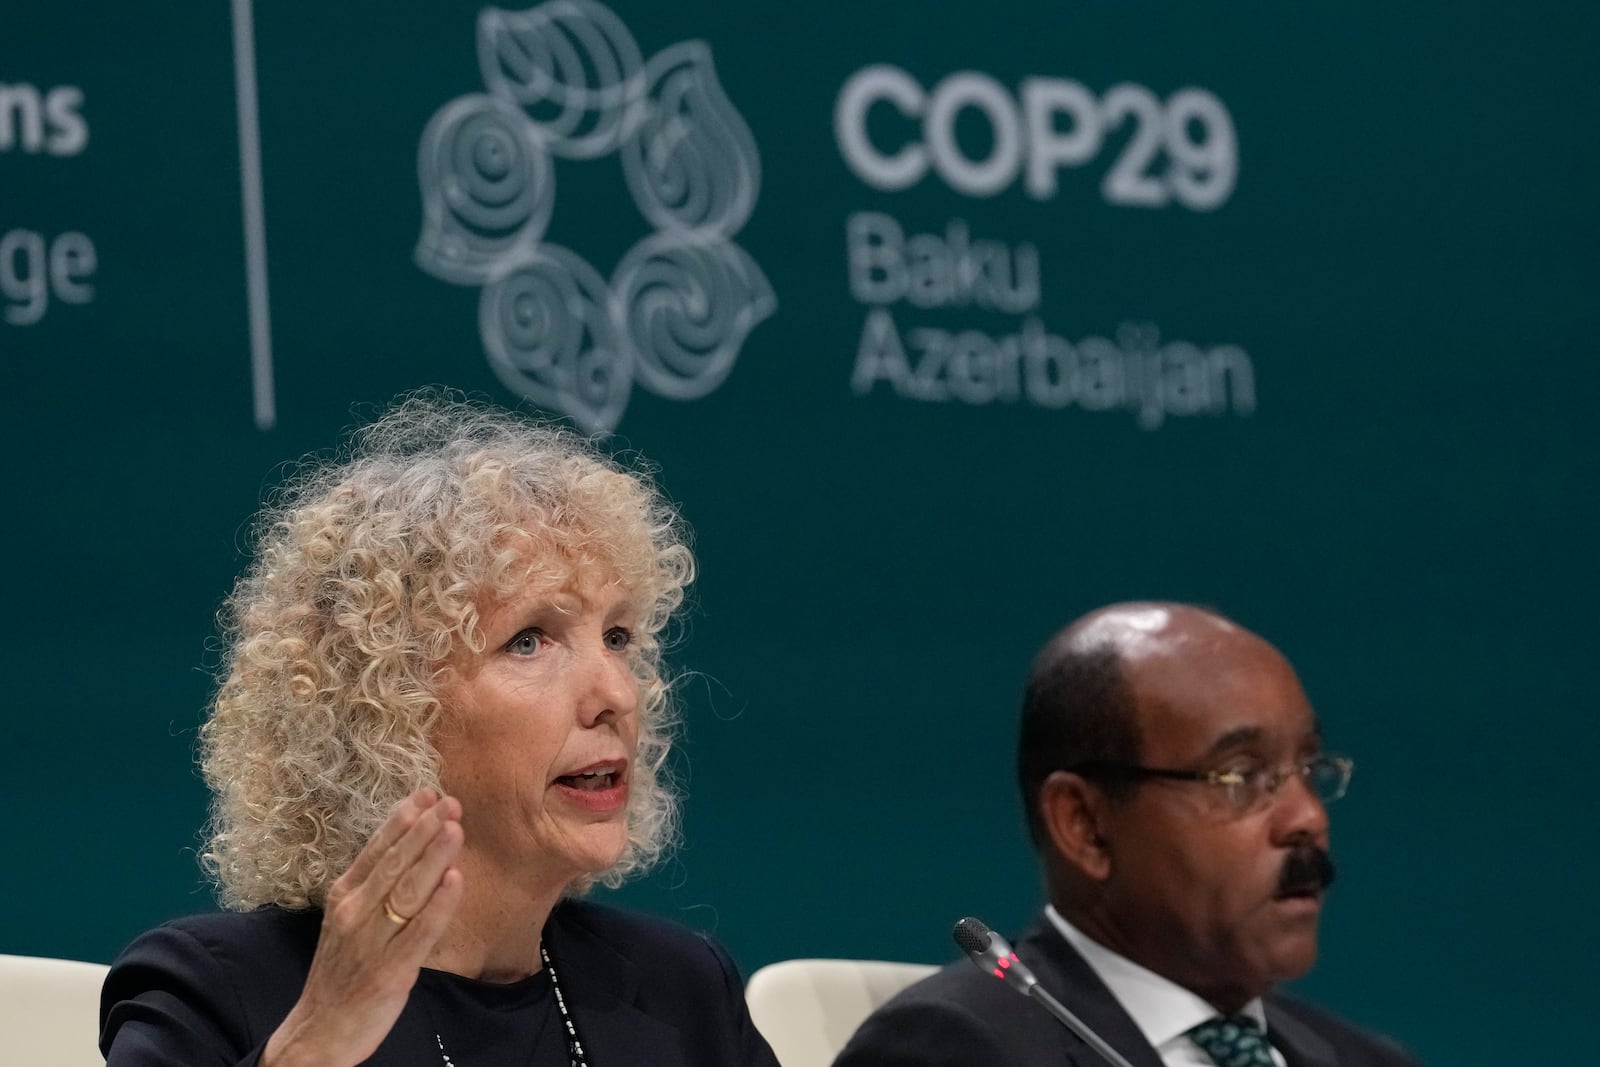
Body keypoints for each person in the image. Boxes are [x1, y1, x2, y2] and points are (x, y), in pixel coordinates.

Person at [100, 394, 779, 1067]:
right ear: (385, 704)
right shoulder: (219, 991)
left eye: (618, 635)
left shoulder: (683, 991)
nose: (616, 693)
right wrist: (315, 1046)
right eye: (528, 640)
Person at [835, 601, 1420, 1067]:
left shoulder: (1367, 1058)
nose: (1307, 816)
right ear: (1085, 825)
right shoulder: (955, 1048)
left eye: (1308, 768)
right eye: (1242, 776)